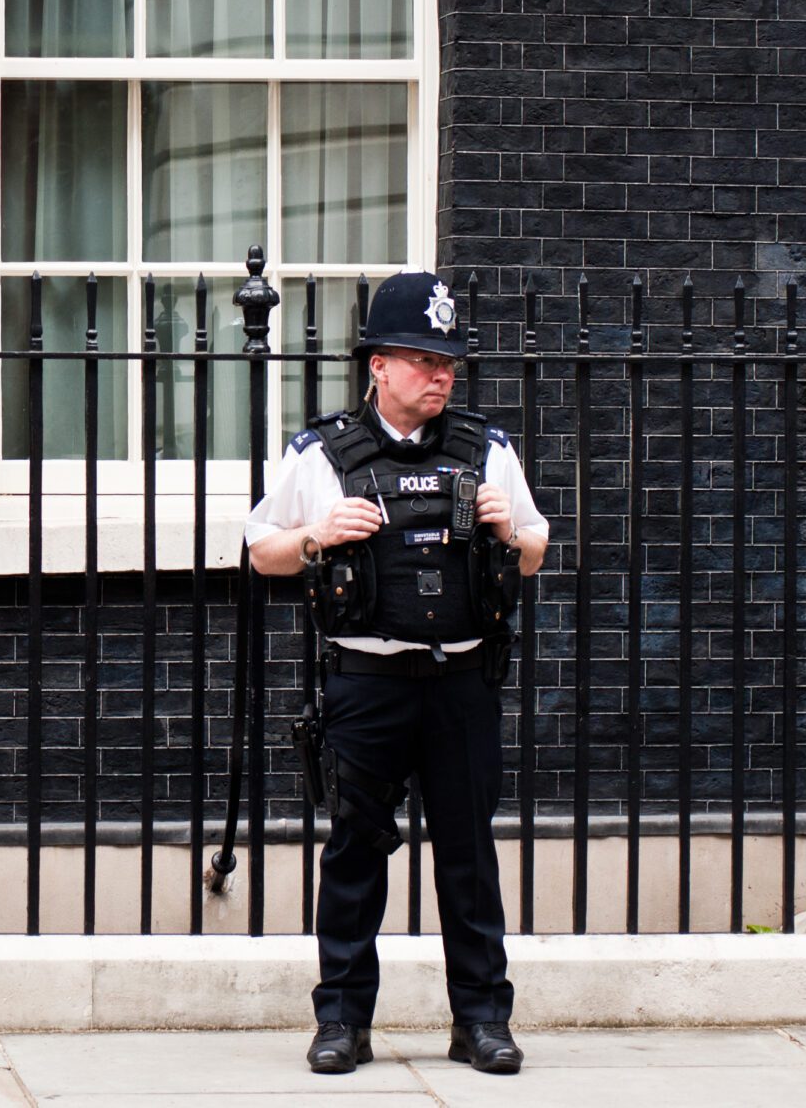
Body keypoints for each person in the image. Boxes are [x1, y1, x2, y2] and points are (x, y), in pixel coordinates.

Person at [243, 270, 550, 1076]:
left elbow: (537, 547)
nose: (441, 374)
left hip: (461, 680)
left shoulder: (487, 448)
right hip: (366, 681)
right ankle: (342, 1018)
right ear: (378, 363)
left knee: (468, 856)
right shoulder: (322, 453)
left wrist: (504, 527)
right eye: (423, 358)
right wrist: (317, 531)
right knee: (353, 854)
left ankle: (481, 1020)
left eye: (448, 360)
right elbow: (261, 549)